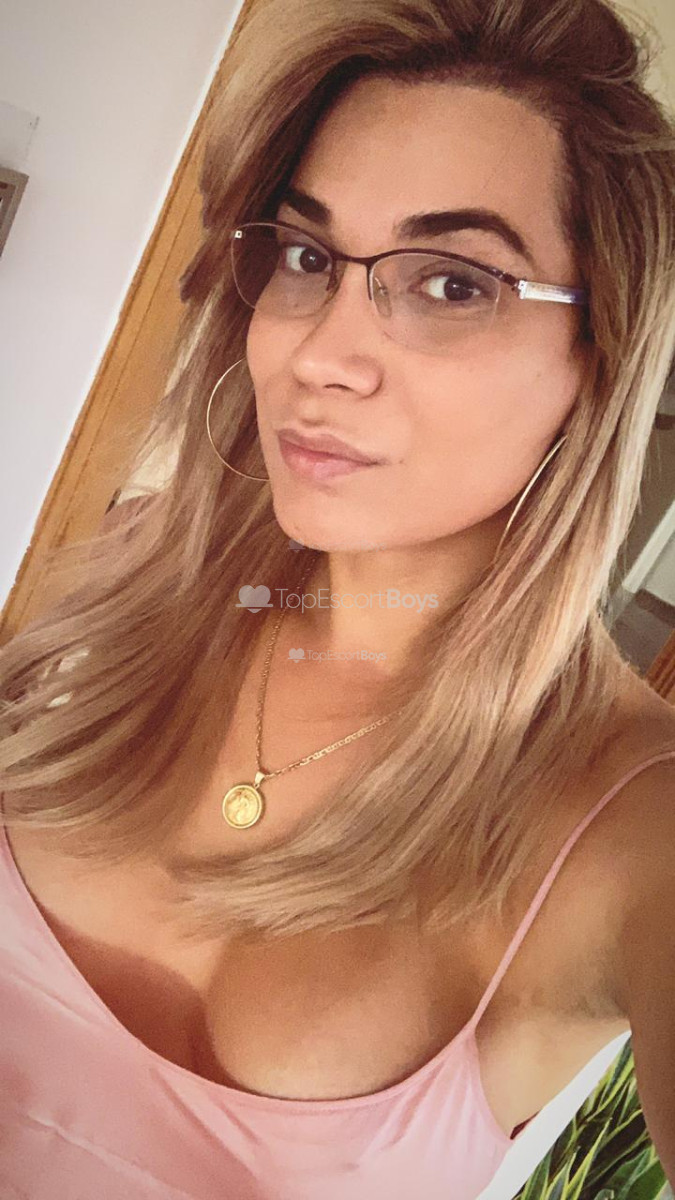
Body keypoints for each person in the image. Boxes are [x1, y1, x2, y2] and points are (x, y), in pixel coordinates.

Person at [1, 0, 675, 1196]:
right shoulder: (125, 575)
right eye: (308, 259)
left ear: (600, 356)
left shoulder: (631, 823)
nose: (319, 354)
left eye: (453, 284)